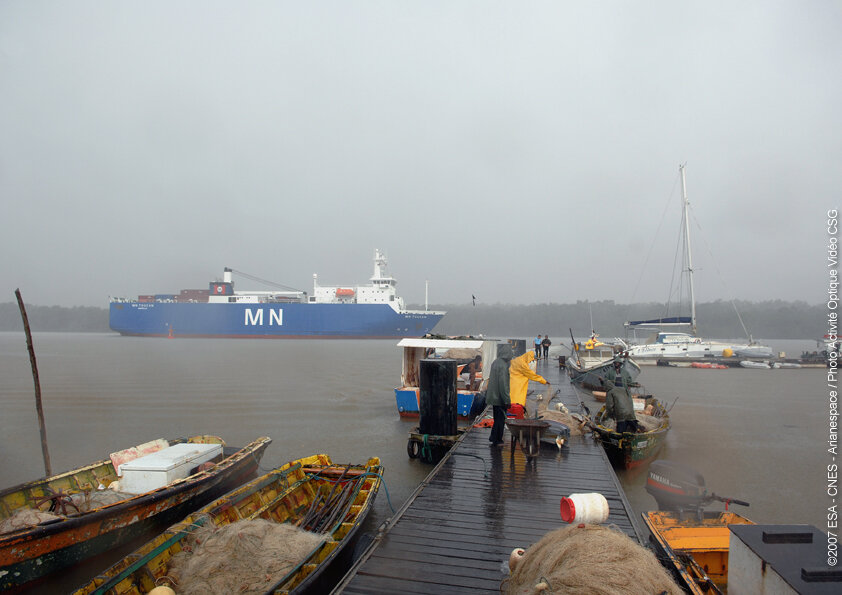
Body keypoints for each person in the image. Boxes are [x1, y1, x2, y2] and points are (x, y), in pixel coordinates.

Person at [485, 343, 513, 446]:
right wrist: (507, 400)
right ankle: (497, 440)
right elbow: (503, 385)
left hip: (493, 396)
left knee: (496, 419)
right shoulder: (503, 366)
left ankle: (493, 437)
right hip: (499, 398)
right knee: (500, 420)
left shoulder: (495, 362)